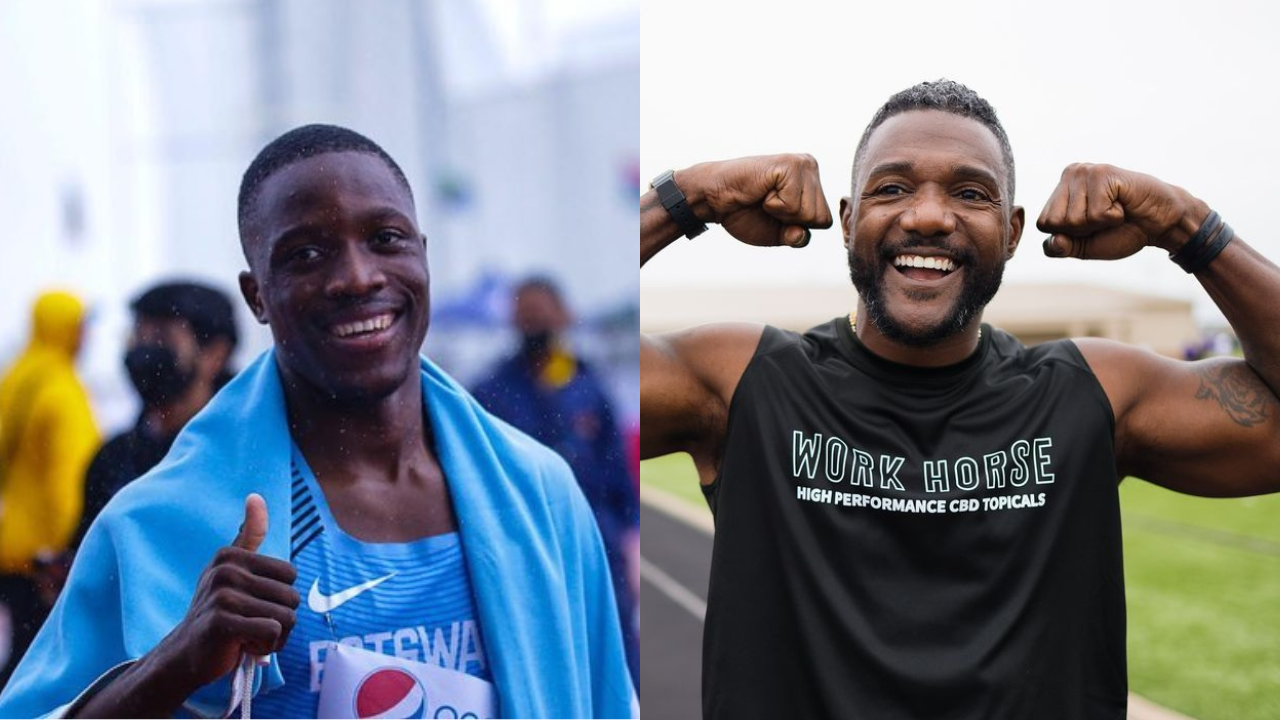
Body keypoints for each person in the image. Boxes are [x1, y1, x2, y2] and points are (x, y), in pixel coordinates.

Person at [640, 80, 1280, 719]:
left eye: (971, 194)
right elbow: (544, 392)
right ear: (846, 222)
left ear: (1011, 232)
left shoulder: (1092, 392)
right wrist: (687, 197)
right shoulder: (746, 381)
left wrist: (1188, 226)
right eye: (891, 188)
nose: (928, 216)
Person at [0, 124, 633, 718]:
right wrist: (176, 662)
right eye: (305, 254)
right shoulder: (156, 523)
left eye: (386, 239)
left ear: (423, 255)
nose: (357, 277)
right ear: (257, 297)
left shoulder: (537, 495)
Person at [472, 277, 640, 684]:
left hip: (596, 539)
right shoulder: (489, 390)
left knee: (610, 653)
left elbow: (616, 470)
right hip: (522, 544)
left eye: (542, 314)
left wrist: (632, 538)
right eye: (526, 315)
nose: (535, 323)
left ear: (564, 316)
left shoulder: (588, 383)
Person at [74, 280, 239, 547]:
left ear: (215, 354)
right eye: (137, 335)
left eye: (163, 337)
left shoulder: (241, 454)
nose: (144, 349)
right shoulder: (114, 459)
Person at [0, 290, 99, 690]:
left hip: (11, 545)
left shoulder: (16, 378)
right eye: (82, 326)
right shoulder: (62, 392)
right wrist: (66, 556)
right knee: (37, 671)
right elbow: (70, 484)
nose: (86, 336)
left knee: (17, 656)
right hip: (42, 558)